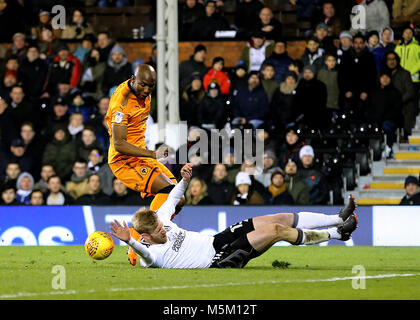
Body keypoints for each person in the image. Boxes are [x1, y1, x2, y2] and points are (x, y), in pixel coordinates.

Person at [110, 164, 359, 269]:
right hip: (218, 260)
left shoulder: (158, 220)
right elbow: (144, 254)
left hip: (216, 241)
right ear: (145, 237)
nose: (163, 229)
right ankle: (338, 234)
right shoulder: (149, 255)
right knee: (274, 231)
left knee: (279, 217)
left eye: (161, 225)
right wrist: (128, 241)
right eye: (158, 232)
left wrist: (184, 180)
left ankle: (337, 218)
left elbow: (173, 198)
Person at [106, 64, 183, 265]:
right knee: (168, 190)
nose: (147, 90)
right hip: (124, 160)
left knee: (179, 198)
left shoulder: (143, 92)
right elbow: (119, 144)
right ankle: (137, 240)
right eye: (143, 85)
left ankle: (152, 238)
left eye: (151, 86)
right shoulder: (121, 104)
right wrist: (152, 153)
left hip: (141, 155)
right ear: (133, 79)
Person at [383, 51, 417, 139]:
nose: (392, 62)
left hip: (403, 107)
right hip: (387, 109)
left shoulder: (405, 74)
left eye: (394, 59)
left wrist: (398, 102)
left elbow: (410, 92)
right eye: (389, 59)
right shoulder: (383, 75)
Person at [294, 65, 328, 129]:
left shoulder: (320, 85)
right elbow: (296, 100)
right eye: (305, 72)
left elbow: (322, 103)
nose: (307, 74)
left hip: (315, 116)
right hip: (301, 116)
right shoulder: (300, 83)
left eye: (310, 72)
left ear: (314, 73)